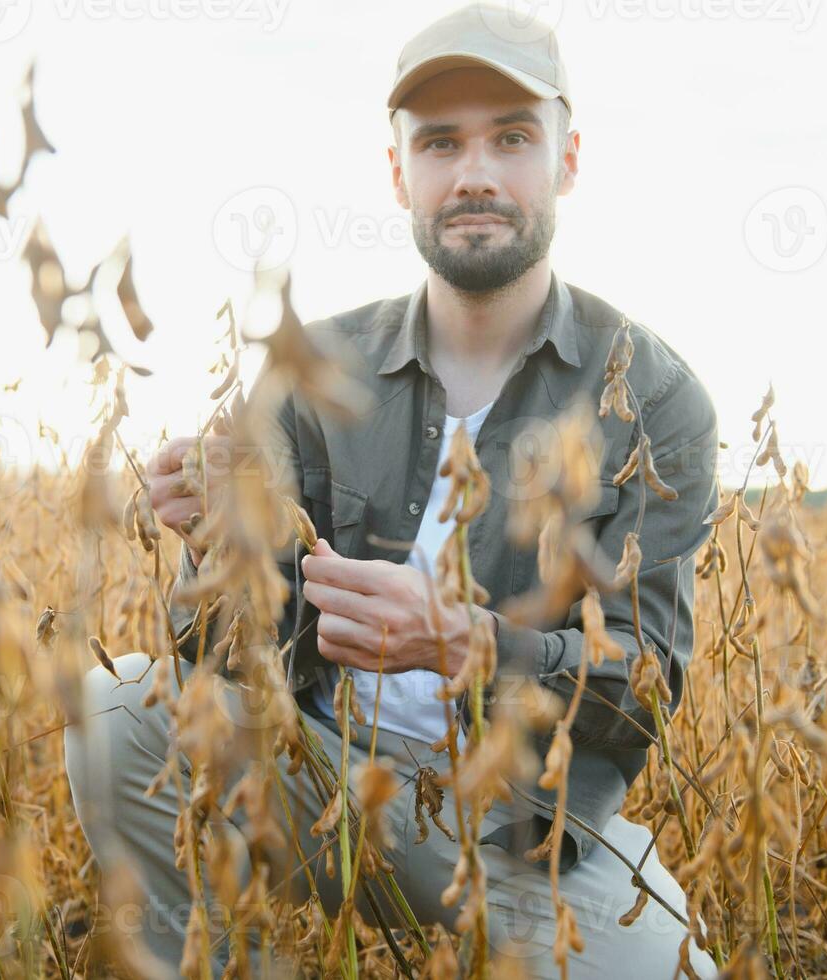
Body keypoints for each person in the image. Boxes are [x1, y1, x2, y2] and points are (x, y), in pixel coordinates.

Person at [66, 4, 720, 975]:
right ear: (398, 171)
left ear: (568, 161)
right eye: (441, 142)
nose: (475, 175)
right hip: (317, 779)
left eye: (512, 138)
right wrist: (222, 552)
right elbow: (214, 662)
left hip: (525, 836)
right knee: (114, 706)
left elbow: (644, 692)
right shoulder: (310, 369)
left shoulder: (656, 398)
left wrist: (470, 641)